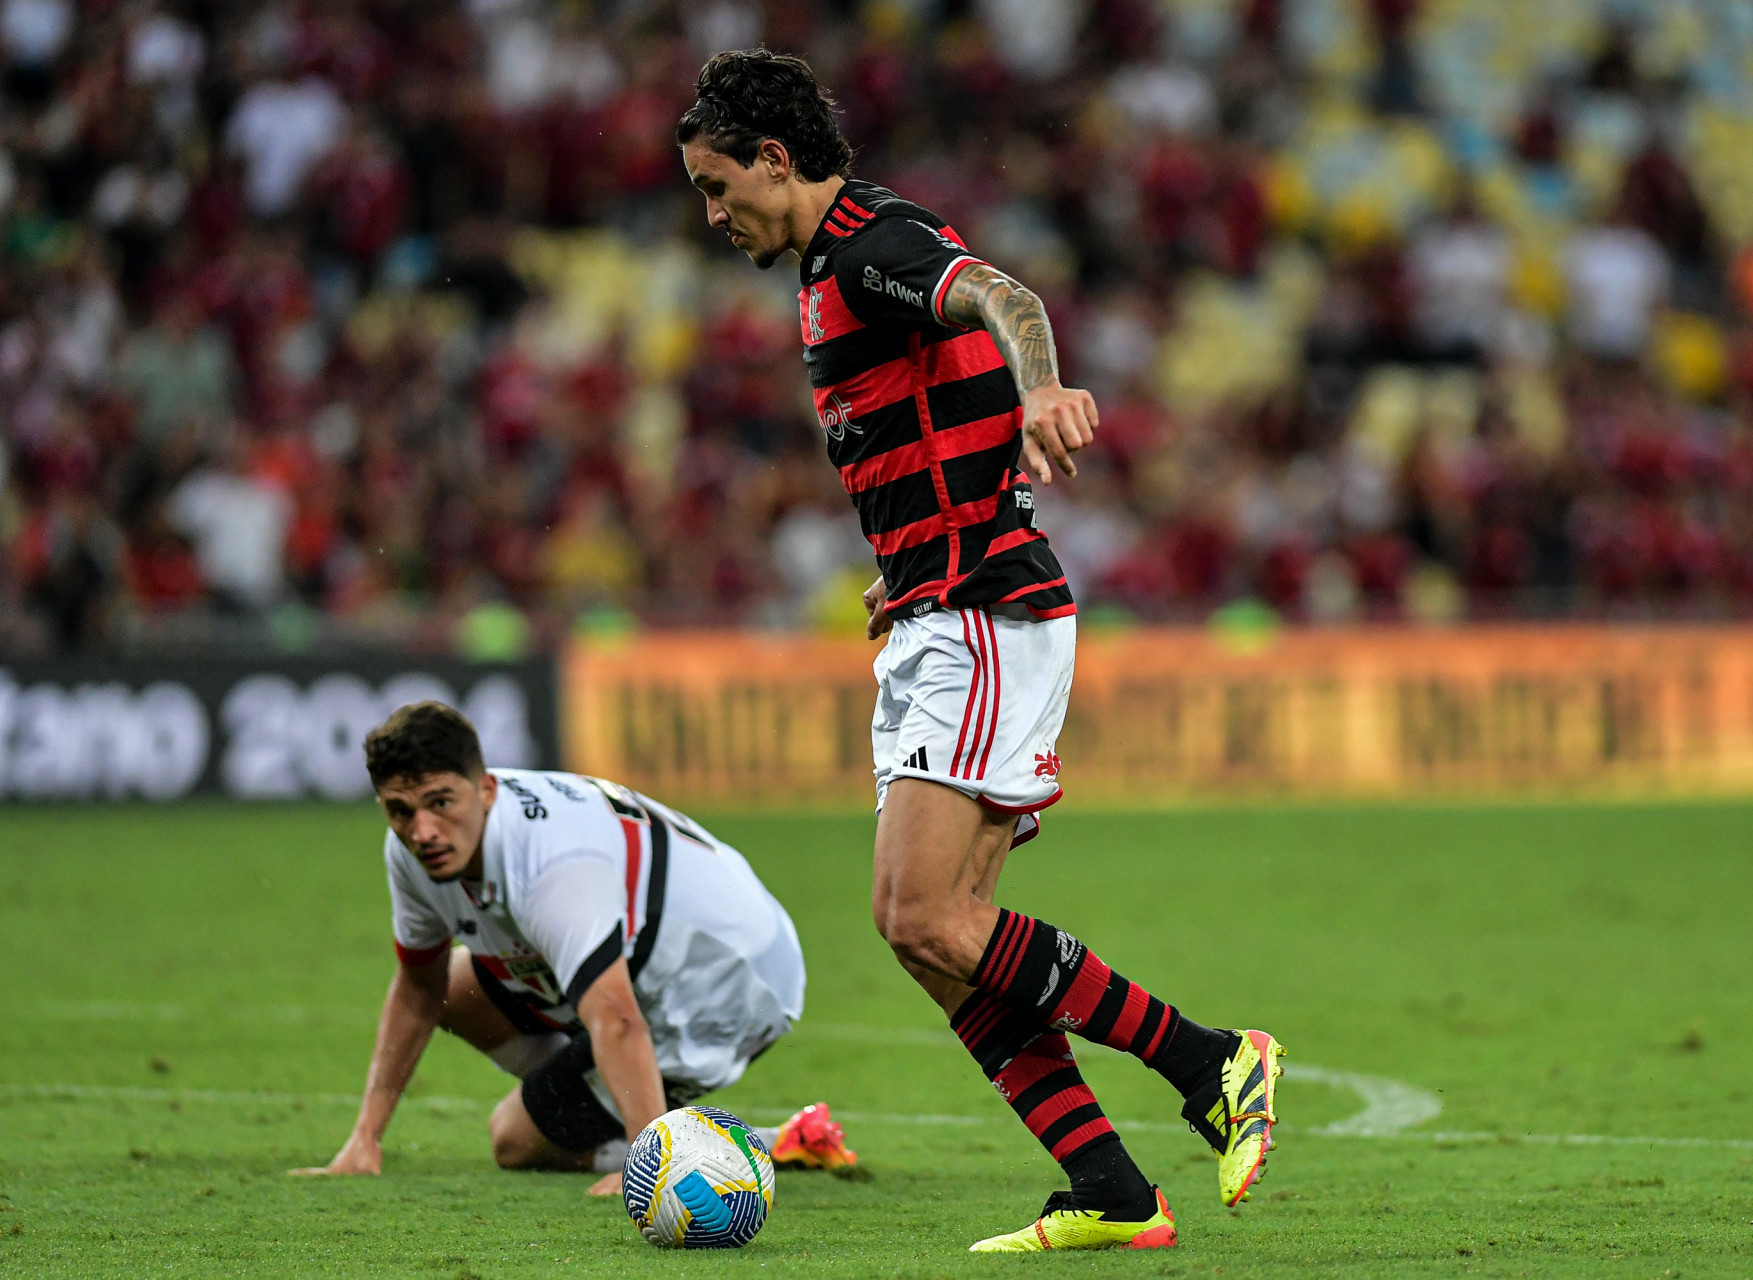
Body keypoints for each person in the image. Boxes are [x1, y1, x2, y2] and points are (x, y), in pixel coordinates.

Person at [676, 49, 1280, 1252]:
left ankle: (1214, 1061)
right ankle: (1111, 1188)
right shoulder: (825, 267)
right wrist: (900, 563)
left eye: (715, 185)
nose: (711, 213)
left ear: (775, 161)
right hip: (934, 602)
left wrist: (1045, 393)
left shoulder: (864, 244)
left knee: (924, 916)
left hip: (983, 611)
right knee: (946, 945)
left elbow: (1006, 300)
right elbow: (927, 425)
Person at [290, 701, 856, 1195]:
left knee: (516, 1139)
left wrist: (647, 1163)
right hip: (646, 957)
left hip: (724, 981)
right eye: (400, 811)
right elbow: (420, 988)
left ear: (485, 789)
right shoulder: (416, 850)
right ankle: (614, 1105)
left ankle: (753, 1148)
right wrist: (364, 1141)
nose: (424, 832)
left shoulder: (552, 864)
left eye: (441, 802)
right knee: (457, 991)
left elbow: (615, 1016)